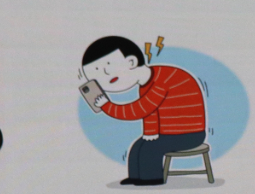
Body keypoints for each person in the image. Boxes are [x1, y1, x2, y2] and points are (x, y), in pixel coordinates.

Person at [81, 36, 207, 185]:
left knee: (150, 149)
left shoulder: (161, 80)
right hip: (168, 132)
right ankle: (136, 177)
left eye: (107, 70)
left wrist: (106, 106)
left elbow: (140, 110)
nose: (104, 82)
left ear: (131, 62)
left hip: (188, 134)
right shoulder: (147, 81)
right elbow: (151, 112)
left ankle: (152, 179)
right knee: (138, 146)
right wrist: (150, 133)